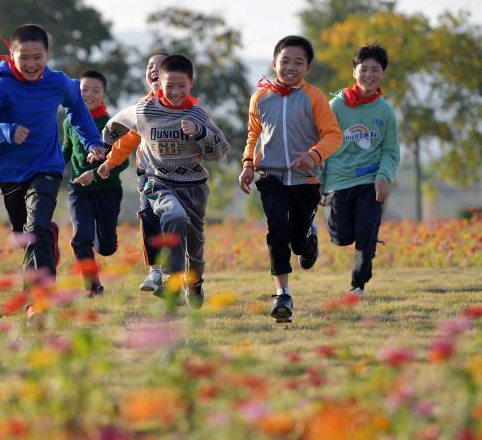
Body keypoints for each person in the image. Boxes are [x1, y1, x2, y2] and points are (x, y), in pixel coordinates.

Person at [0, 23, 105, 310]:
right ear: (12, 55)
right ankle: (46, 241)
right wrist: (6, 131)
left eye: (38, 57)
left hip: (46, 167)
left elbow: (77, 111)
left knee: (36, 230)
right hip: (9, 172)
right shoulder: (2, 86)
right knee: (25, 234)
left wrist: (93, 140)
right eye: (24, 57)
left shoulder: (59, 83)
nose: (31, 64)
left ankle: (38, 301)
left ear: (48, 54)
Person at [99, 55, 230, 308]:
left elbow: (220, 151)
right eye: (170, 86)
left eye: (182, 86)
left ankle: (194, 282)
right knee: (173, 217)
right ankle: (173, 278)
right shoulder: (145, 110)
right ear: (159, 84)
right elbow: (115, 125)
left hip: (194, 188)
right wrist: (103, 148)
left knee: (195, 246)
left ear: (191, 83)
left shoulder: (198, 114)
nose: (175, 91)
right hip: (158, 181)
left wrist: (200, 133)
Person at [238, 35, 343, 323]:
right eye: (285, 61)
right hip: (270, 177)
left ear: (308, 68)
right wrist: (248, 164)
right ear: (274, 63)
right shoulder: (260, 97)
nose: (290, 67)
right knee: (276, 231)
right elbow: (253, 135)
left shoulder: (315, 97)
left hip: (306, 180)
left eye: (299, 62)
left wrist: (314, 155)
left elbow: (334, 135)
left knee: (296, 240)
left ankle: (308, 238)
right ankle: (282, 294)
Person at [321, 42, 400, 296]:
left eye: (374, 70)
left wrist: (384, 176)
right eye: (363, 69)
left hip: (370, 181)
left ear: (382, 74)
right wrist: (318, 182)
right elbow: (322, 144)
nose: (369, 75)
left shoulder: (385, 111)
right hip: (338, 182)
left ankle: (357, 286)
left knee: (366, 233)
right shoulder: (336, 106)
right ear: (354, 72)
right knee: (342, 237)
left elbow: (390, 151)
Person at [62, 69, 128, 296]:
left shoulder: (112, 126)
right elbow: (66, 151)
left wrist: (97, 174)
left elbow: (122, 163)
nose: (88, 94)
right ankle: (93, 287)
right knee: (80, 238)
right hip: (78, 189)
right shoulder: (69, 121)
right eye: (83, 90)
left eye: (95, 90)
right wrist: (47, 169)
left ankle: (107, 240)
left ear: (103, 95)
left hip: (107, 190)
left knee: (106, 247)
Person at [137, 53, 168, 293]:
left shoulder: (185, 106)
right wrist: (107, 161)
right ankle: (155, 272)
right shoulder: (141, 107)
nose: (154, 70)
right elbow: (126, 138)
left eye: (160, 66)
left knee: (175, 221)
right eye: (150, 66)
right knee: (148, 216)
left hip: (178, 177)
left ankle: (182, 273)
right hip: (146, 174)